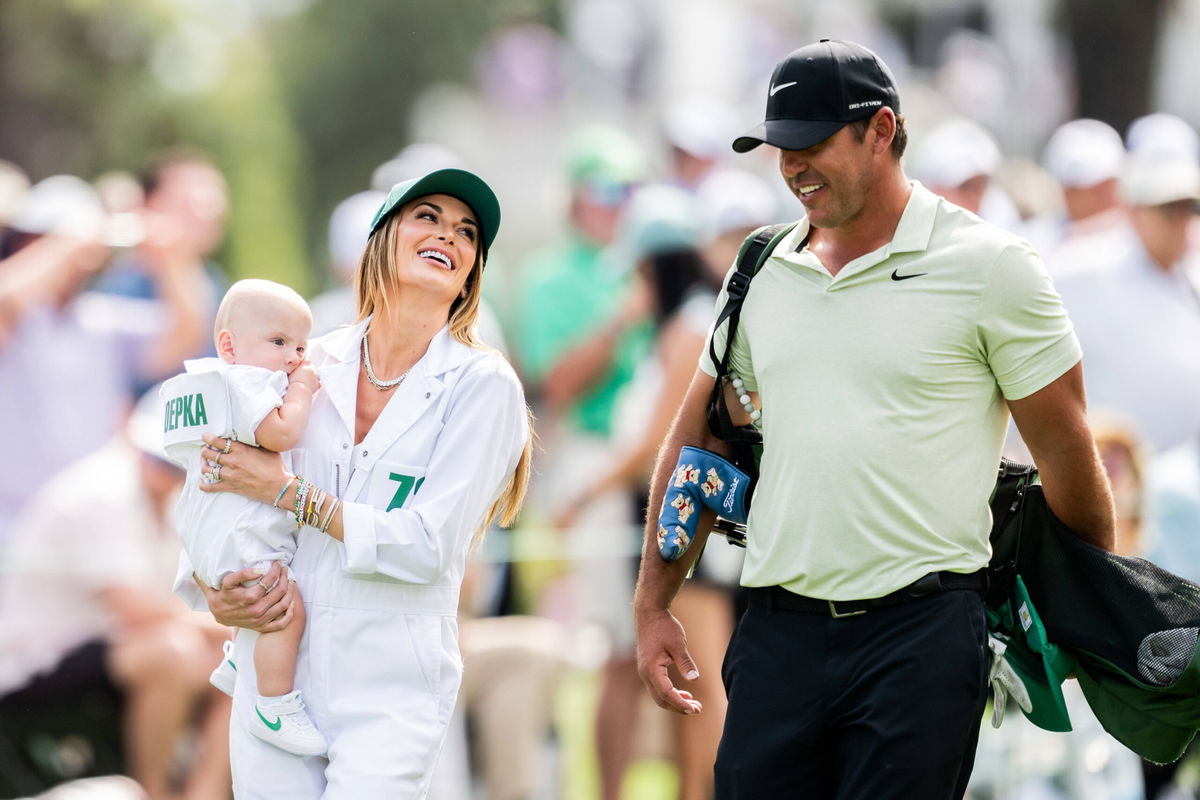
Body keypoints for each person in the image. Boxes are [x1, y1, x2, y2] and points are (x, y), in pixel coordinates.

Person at [633, 38, 1117, 800]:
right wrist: (654, 601)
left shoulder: (993, 267)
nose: (791, 166)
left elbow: (1069, 455)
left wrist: (1095, 615)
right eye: (777, 148)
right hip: (776, 635)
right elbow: (700, 436)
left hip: (920, 638)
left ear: (882, 130)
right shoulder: (760, 265)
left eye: (811, 143)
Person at [173, 167, 532, 798]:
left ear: (473, 269)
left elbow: (426, 548)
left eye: (467, 231)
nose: (449, 234)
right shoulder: (301, 361)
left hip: (393, 679)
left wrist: (288, 493)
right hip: (272, 668)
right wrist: (213, 588)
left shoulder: (484, 385)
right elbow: (218, 485)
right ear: (381, 240)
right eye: (428, 217)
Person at [0, 390, 232, 800]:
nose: (167, 472)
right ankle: (156, 793)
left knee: (234, 664)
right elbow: (137, 610)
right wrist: (233, 629)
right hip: (38, 660)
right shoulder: (98, 492)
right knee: (177, 653)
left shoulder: (169, 500)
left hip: (102, 651)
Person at [160, 278, 325, 756]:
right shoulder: (247, 381)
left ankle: (237, 659)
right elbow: (280, 433)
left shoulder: (202, 385)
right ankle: (275, 705)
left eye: (300, 346)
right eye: (278, 343)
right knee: (283, 610)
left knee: (253, 592)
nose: (294, 358)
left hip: (205, 528)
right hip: (239, 526)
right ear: (229, 345)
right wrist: (304, 390)